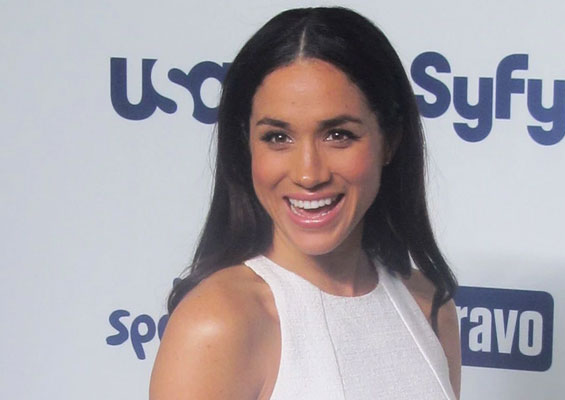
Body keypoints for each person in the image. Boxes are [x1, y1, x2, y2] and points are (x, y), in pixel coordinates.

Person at [150, 7, 460, 400]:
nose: (309, 174)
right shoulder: (218, 323)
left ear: (390, 140)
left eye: (338, 135)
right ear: (246, 146)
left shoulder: (430, 306)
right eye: (278, 138)